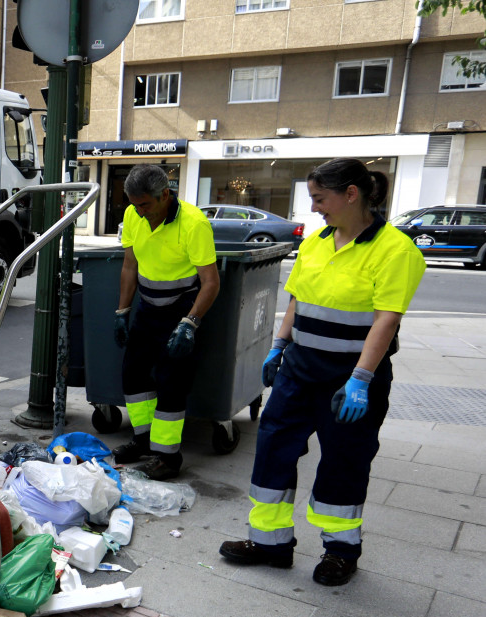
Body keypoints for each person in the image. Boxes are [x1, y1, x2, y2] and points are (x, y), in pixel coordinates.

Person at [219, 158, 426, 586]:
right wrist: (279, 345)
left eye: (320, 198)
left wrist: (361, 380)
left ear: (351, 194)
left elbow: (386, 319)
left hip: (348, 380)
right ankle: (270, 543)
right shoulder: (317, 242)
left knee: (343, 462)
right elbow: (296, 300)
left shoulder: (395, 250)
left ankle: (340, 551)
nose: (314, 208)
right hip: (299, 369)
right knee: (273, 448)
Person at [111, 163, 220, 480]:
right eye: (134, 205)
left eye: (145, 204)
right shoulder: (134, 215)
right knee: (133, 375)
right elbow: (130, 266)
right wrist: (122, 311)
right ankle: (143, 442)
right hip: (147, 306)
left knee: (172, 382)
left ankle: (168, 458)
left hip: (182, 308)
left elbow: (211, 282)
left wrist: (190, 323)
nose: (139, 212)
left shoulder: (194, 224)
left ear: (165, 196)